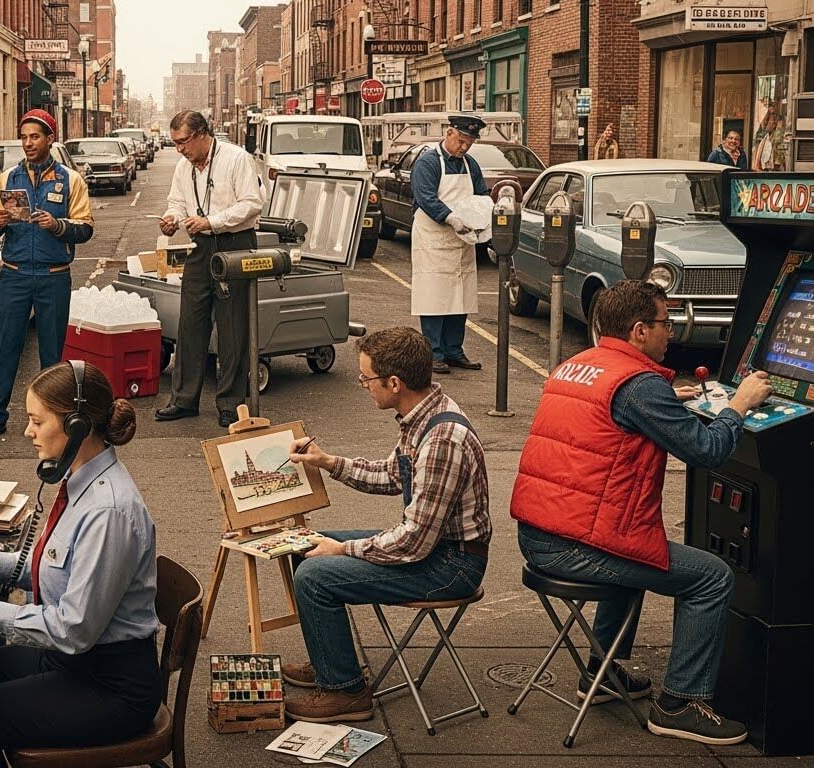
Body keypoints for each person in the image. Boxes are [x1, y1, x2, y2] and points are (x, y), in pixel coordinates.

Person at [511, 280, 773, 746]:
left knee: (634, 546)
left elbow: (612, 420)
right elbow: (708, 450)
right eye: (664, 322)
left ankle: (602, 669)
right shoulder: (640, 386)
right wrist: (739, 404)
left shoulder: (580, 366)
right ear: (637, 331)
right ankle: (679, 703)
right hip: (576, 545)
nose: (670, 332)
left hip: (540, 532)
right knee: (711, 576)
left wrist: (670, 403)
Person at [0, 361, 159, 767]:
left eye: (36, 421)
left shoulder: (109, 511)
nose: (27, 432)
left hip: (110, 684)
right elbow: (61, 571)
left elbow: (75, 628)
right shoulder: (79, 483)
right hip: (75, 660)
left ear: (76, 425)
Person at [280, 326, 491, 722]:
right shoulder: (422, 413)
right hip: (434, 548)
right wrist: (327, 462)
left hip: (452, 565)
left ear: (394, 383)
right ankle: (332, 662)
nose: (363, 385)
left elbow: (413, 543)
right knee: (306, 544)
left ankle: (346, 693)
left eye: (366, 378)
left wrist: (342, 549)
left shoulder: (443, 438)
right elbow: (393, 476)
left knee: (314, 575)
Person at [0, 109, 94, 443]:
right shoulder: (7, 179)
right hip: (14, 275)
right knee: (5, 347)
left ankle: (52, 419)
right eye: (24, 137)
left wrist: (57, 226)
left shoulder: (70, 180)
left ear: (50, 139)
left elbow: (85, 229)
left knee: (52, 354)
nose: (28, 143)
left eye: (35, 137)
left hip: (54, 276)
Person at [154, 109, 264, 428]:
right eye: (175, 143)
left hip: (236, 242)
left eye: (183, 142)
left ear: (203, 134)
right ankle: (184, 399)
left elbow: (251, 203)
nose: (180, 150)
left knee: (232, 327)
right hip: (201, 247)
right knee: (191, 322)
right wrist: (171, 220)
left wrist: (211, 221)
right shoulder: (183, 166)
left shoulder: (236, 158)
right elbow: (177, 201)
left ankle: (230, 403)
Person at [410, 114, 489, 375]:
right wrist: (450, 217)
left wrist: (484, 216)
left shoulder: (470, 165)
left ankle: (454, 350)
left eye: (470, 142)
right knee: (434, 297)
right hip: (433, 239)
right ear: (449, 133)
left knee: (460, 296)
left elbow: (482, 194)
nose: (464, 147)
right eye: (462, 140)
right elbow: (425, 197)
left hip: (462, 239)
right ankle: (434, 353)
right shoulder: (428, 163)